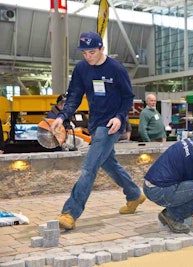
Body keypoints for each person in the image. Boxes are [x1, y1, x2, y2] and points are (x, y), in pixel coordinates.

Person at [51, 32, 145, 230]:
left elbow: (128, 97)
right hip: (95, 123)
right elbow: (74, 96)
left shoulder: (116, 69)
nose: (88, 57)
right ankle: (134, 194)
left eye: (92, 52)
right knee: (109, 163)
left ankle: (70, 212)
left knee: (89, 167)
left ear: (102, 49)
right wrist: (61, 117)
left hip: (110, 125)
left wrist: (120, 117)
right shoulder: (81, 69)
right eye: (84, 53)